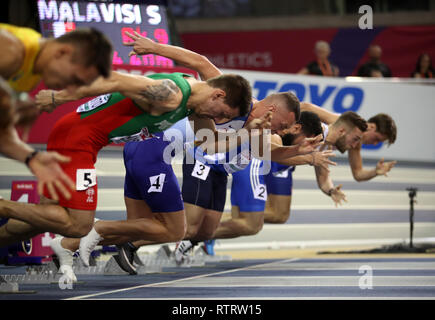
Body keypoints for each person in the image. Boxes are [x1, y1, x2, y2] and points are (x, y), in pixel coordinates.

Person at [0, 46, 255, 272]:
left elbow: (210, 143)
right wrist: (58, 97)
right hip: (77, 140)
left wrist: (250, 132)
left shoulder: (194, 106)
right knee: (77, 225)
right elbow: (113, 79)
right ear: (218, 96)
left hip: (83, 140)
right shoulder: (172, 94)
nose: (218, 120)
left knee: (39, 219)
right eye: (221, 114)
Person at [0, 23, 113, 201]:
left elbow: (3, 137)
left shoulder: (31, 74)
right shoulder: (12, 50)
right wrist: (8, 97)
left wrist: (31, 157)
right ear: (62, 52)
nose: (72, 90)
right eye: (75, 79)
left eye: (80, 86)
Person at [301, 102, 397, 182]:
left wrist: (375, 172)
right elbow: (306, 107)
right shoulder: (338, 122)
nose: (375, 143)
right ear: (372, 127)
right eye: (377, 139)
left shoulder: (355, 144)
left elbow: (358, 174)